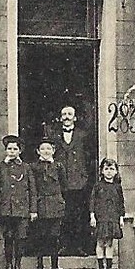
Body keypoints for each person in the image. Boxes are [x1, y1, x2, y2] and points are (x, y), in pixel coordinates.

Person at [43, 105, 96, 256]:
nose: (66, 117)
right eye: (64, 114)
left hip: (78, 182)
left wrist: (85, 177)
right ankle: (63, 245)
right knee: (62, 215)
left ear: (75, 117)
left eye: (70, 114)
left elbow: (89, 157)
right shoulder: (54, 136)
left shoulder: (83, 135)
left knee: (78, 215)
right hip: (60, 182)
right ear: (60, 118)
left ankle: (78, 246)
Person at [0, 135, 33, 269]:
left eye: (15, 149)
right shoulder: (0, 168)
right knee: (8, 238)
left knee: (20, 238)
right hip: (6, 210)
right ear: (6, 150)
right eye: (9, 149)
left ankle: (18, 266)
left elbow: (33, 189)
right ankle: (8, 266)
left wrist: (33, 210)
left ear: (19, 151)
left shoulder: (26, 168)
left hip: (22, 210)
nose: (12, 151)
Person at [26, 139, 66, 269]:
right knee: (40, 236)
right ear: (38, 151)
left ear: (53, 151)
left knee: (54, 237)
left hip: (55, 204)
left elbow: (64, 185)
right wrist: (34, 209)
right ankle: (40, 266)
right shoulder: (33, 167)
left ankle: (55, 266)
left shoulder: (59, 166)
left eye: (49, 149)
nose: (46, 151)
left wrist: (60, 201)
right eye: (42, 149)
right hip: (41, 205)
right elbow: (32, 188)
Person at [90, 157, 125, 269]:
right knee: (100, 242)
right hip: (101, 217)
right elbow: (92, 202)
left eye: (111, 169)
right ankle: (100, 266)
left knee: (110, 242)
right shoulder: (98, 186)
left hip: (113, 217)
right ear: (102, 171)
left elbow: (121, 203)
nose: (109, 171)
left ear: (116, 171)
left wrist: (121, 218)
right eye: (106, 169)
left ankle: (109, 266)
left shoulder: (117, 187)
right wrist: (92, 216)